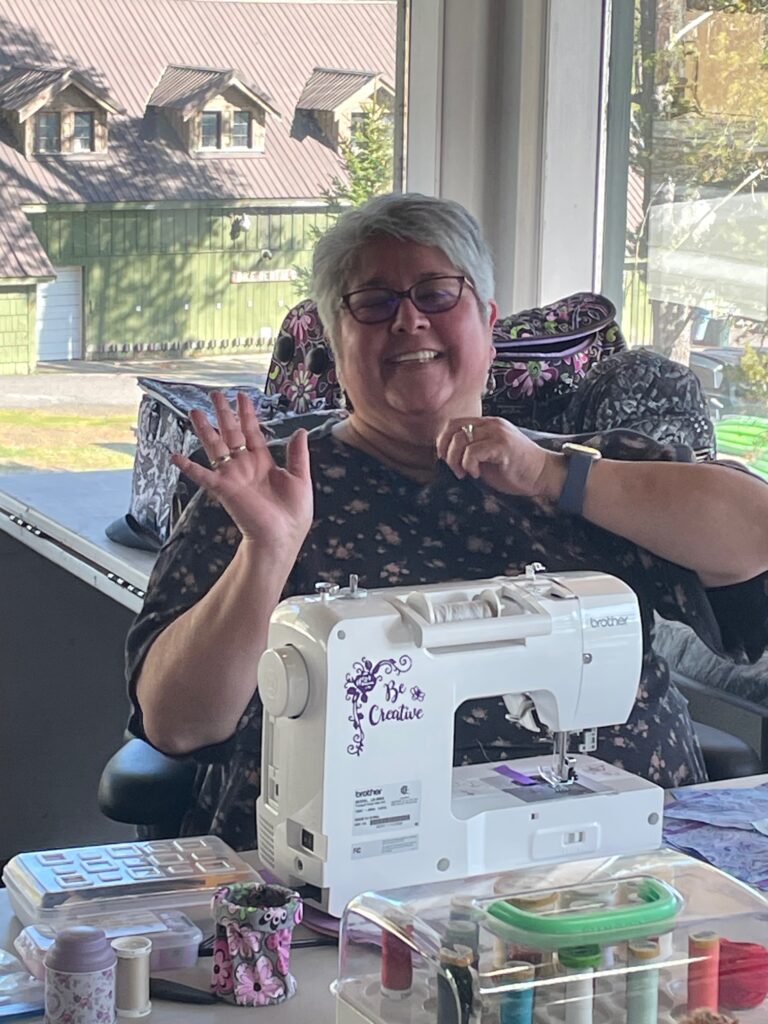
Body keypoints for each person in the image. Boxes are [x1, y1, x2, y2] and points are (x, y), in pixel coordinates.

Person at [127, 192, 768, 850]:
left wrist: (553, 477)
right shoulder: (265, 487)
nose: (409, 320)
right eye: (373, 302)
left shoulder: (584, 470)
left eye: (436, 293)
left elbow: (755, 535)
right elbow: (176, 724)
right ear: (335, 342)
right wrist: (266, 552)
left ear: (487, 322)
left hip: (623, 864)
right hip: (341, 872)